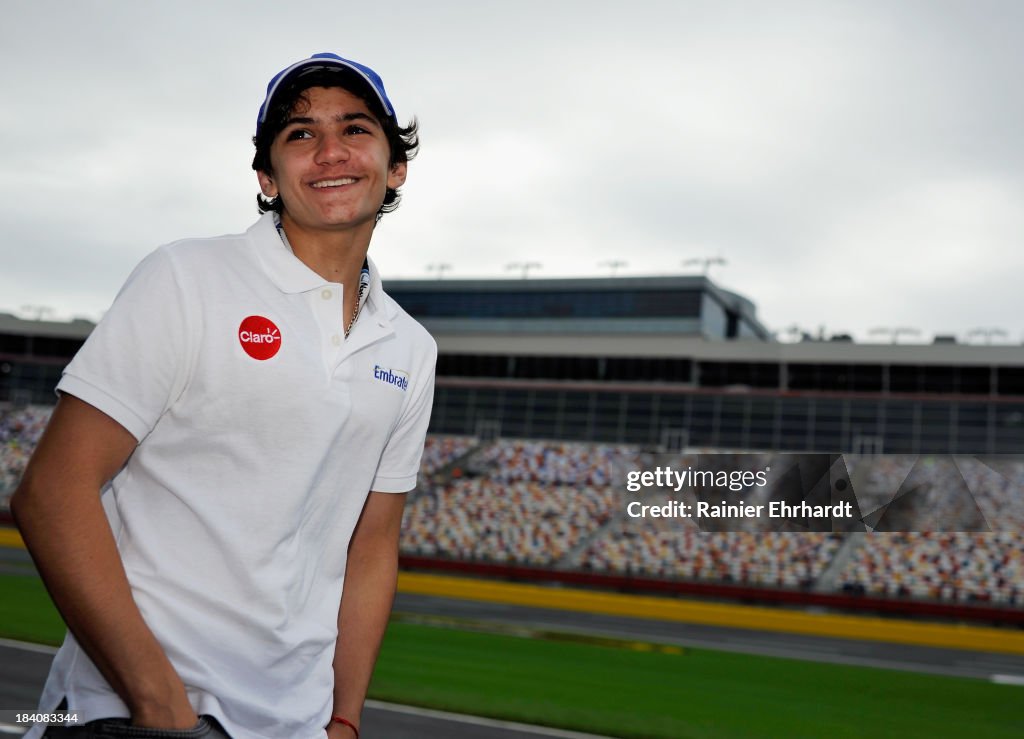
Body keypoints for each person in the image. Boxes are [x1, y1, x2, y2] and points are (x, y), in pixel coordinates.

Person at [12, 52, 436, 739]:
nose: (330, 150)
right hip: (140, 712)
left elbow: (372, 545)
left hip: (294, 725)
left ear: (396, 168)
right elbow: (52, 491)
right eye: (300, 134)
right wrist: (157, 703)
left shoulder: (410, 348)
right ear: (268, 178)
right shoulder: (188, 276)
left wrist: (344, 719)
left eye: (355, 129)